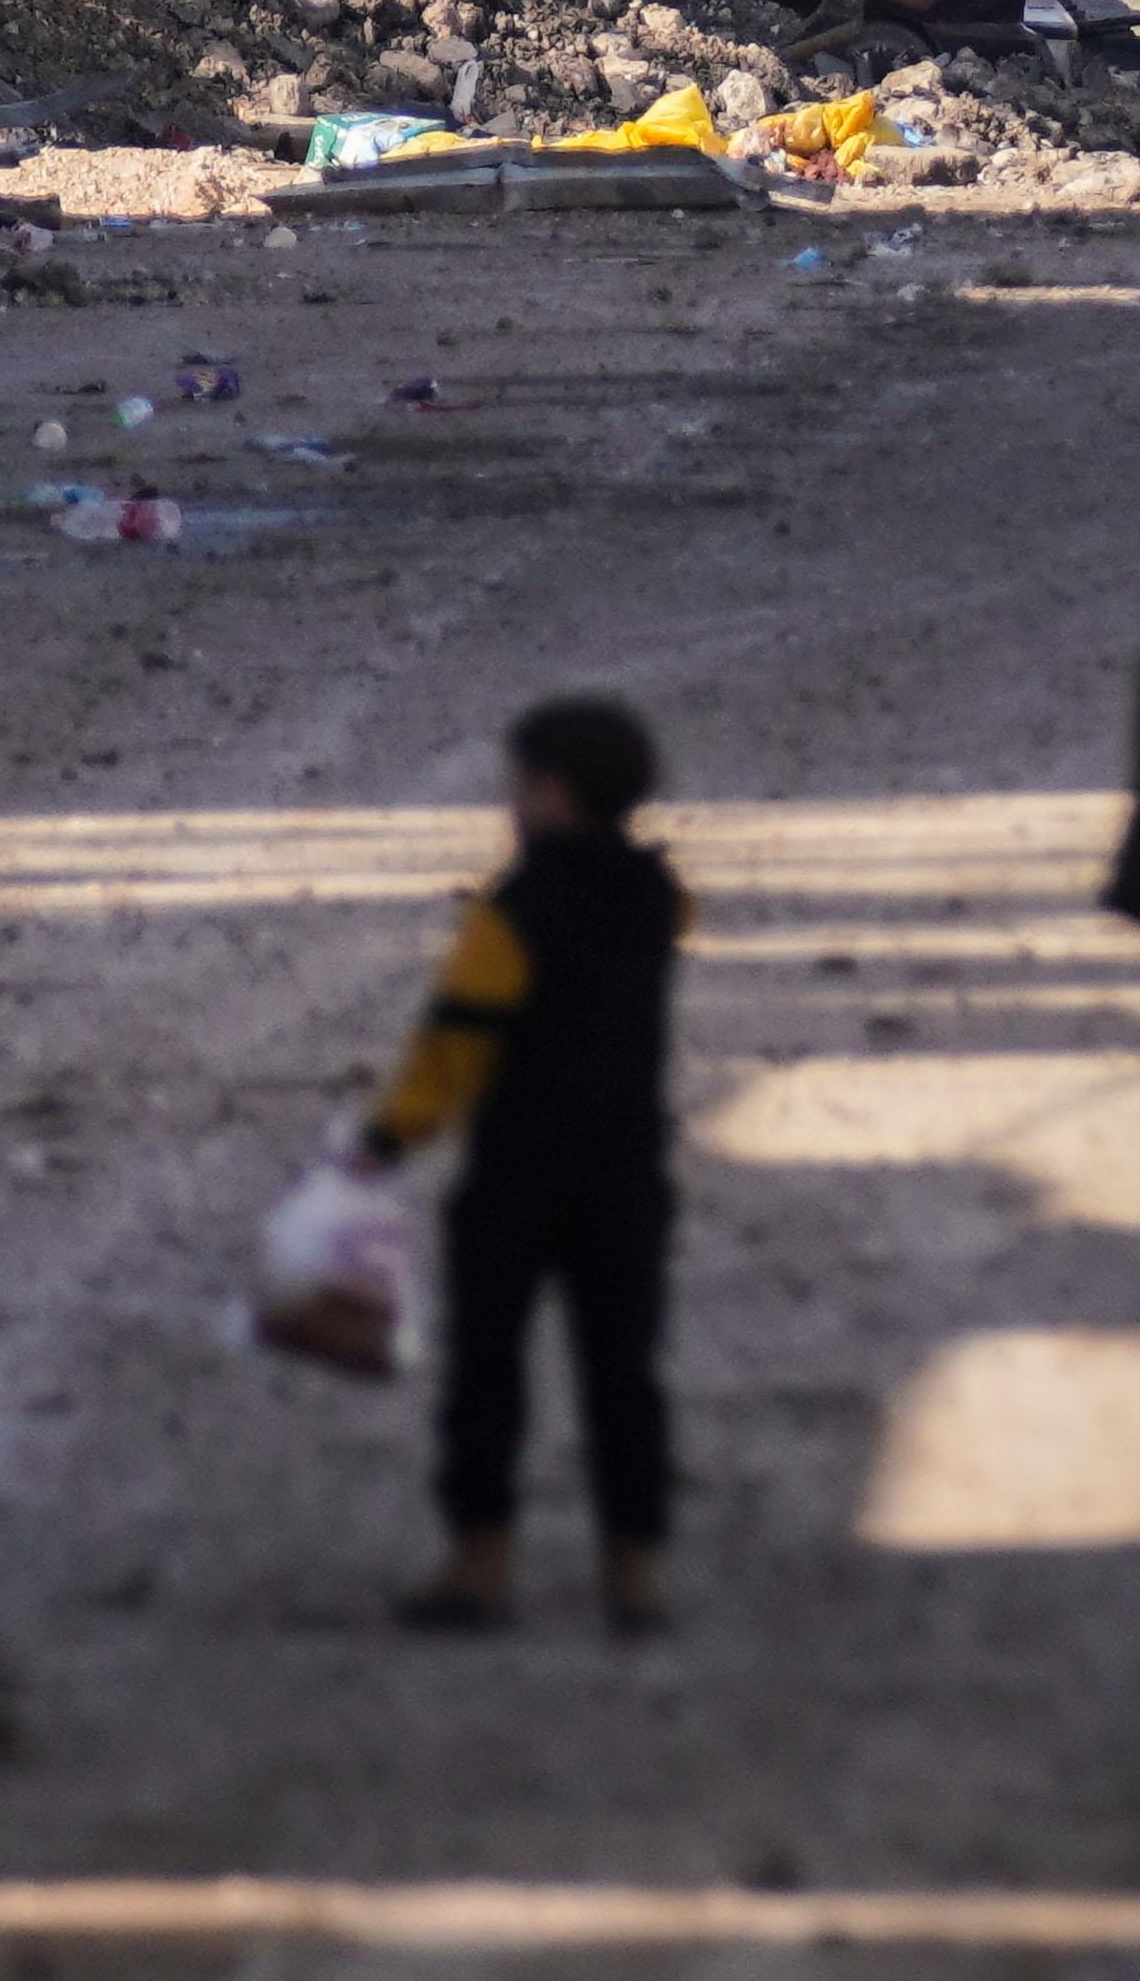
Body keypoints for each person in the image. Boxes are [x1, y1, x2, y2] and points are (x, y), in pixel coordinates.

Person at [353, 695, 688, 1636]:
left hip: (517, 1177)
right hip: (627, 1173)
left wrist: (390, 1136)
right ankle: (635, 1569)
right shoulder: (660, 900)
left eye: (517, 785)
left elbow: (455, 1047)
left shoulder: (509, 916)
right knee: (624, 1370)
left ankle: (482, 1559)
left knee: (488, 1369)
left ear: (550, 795)